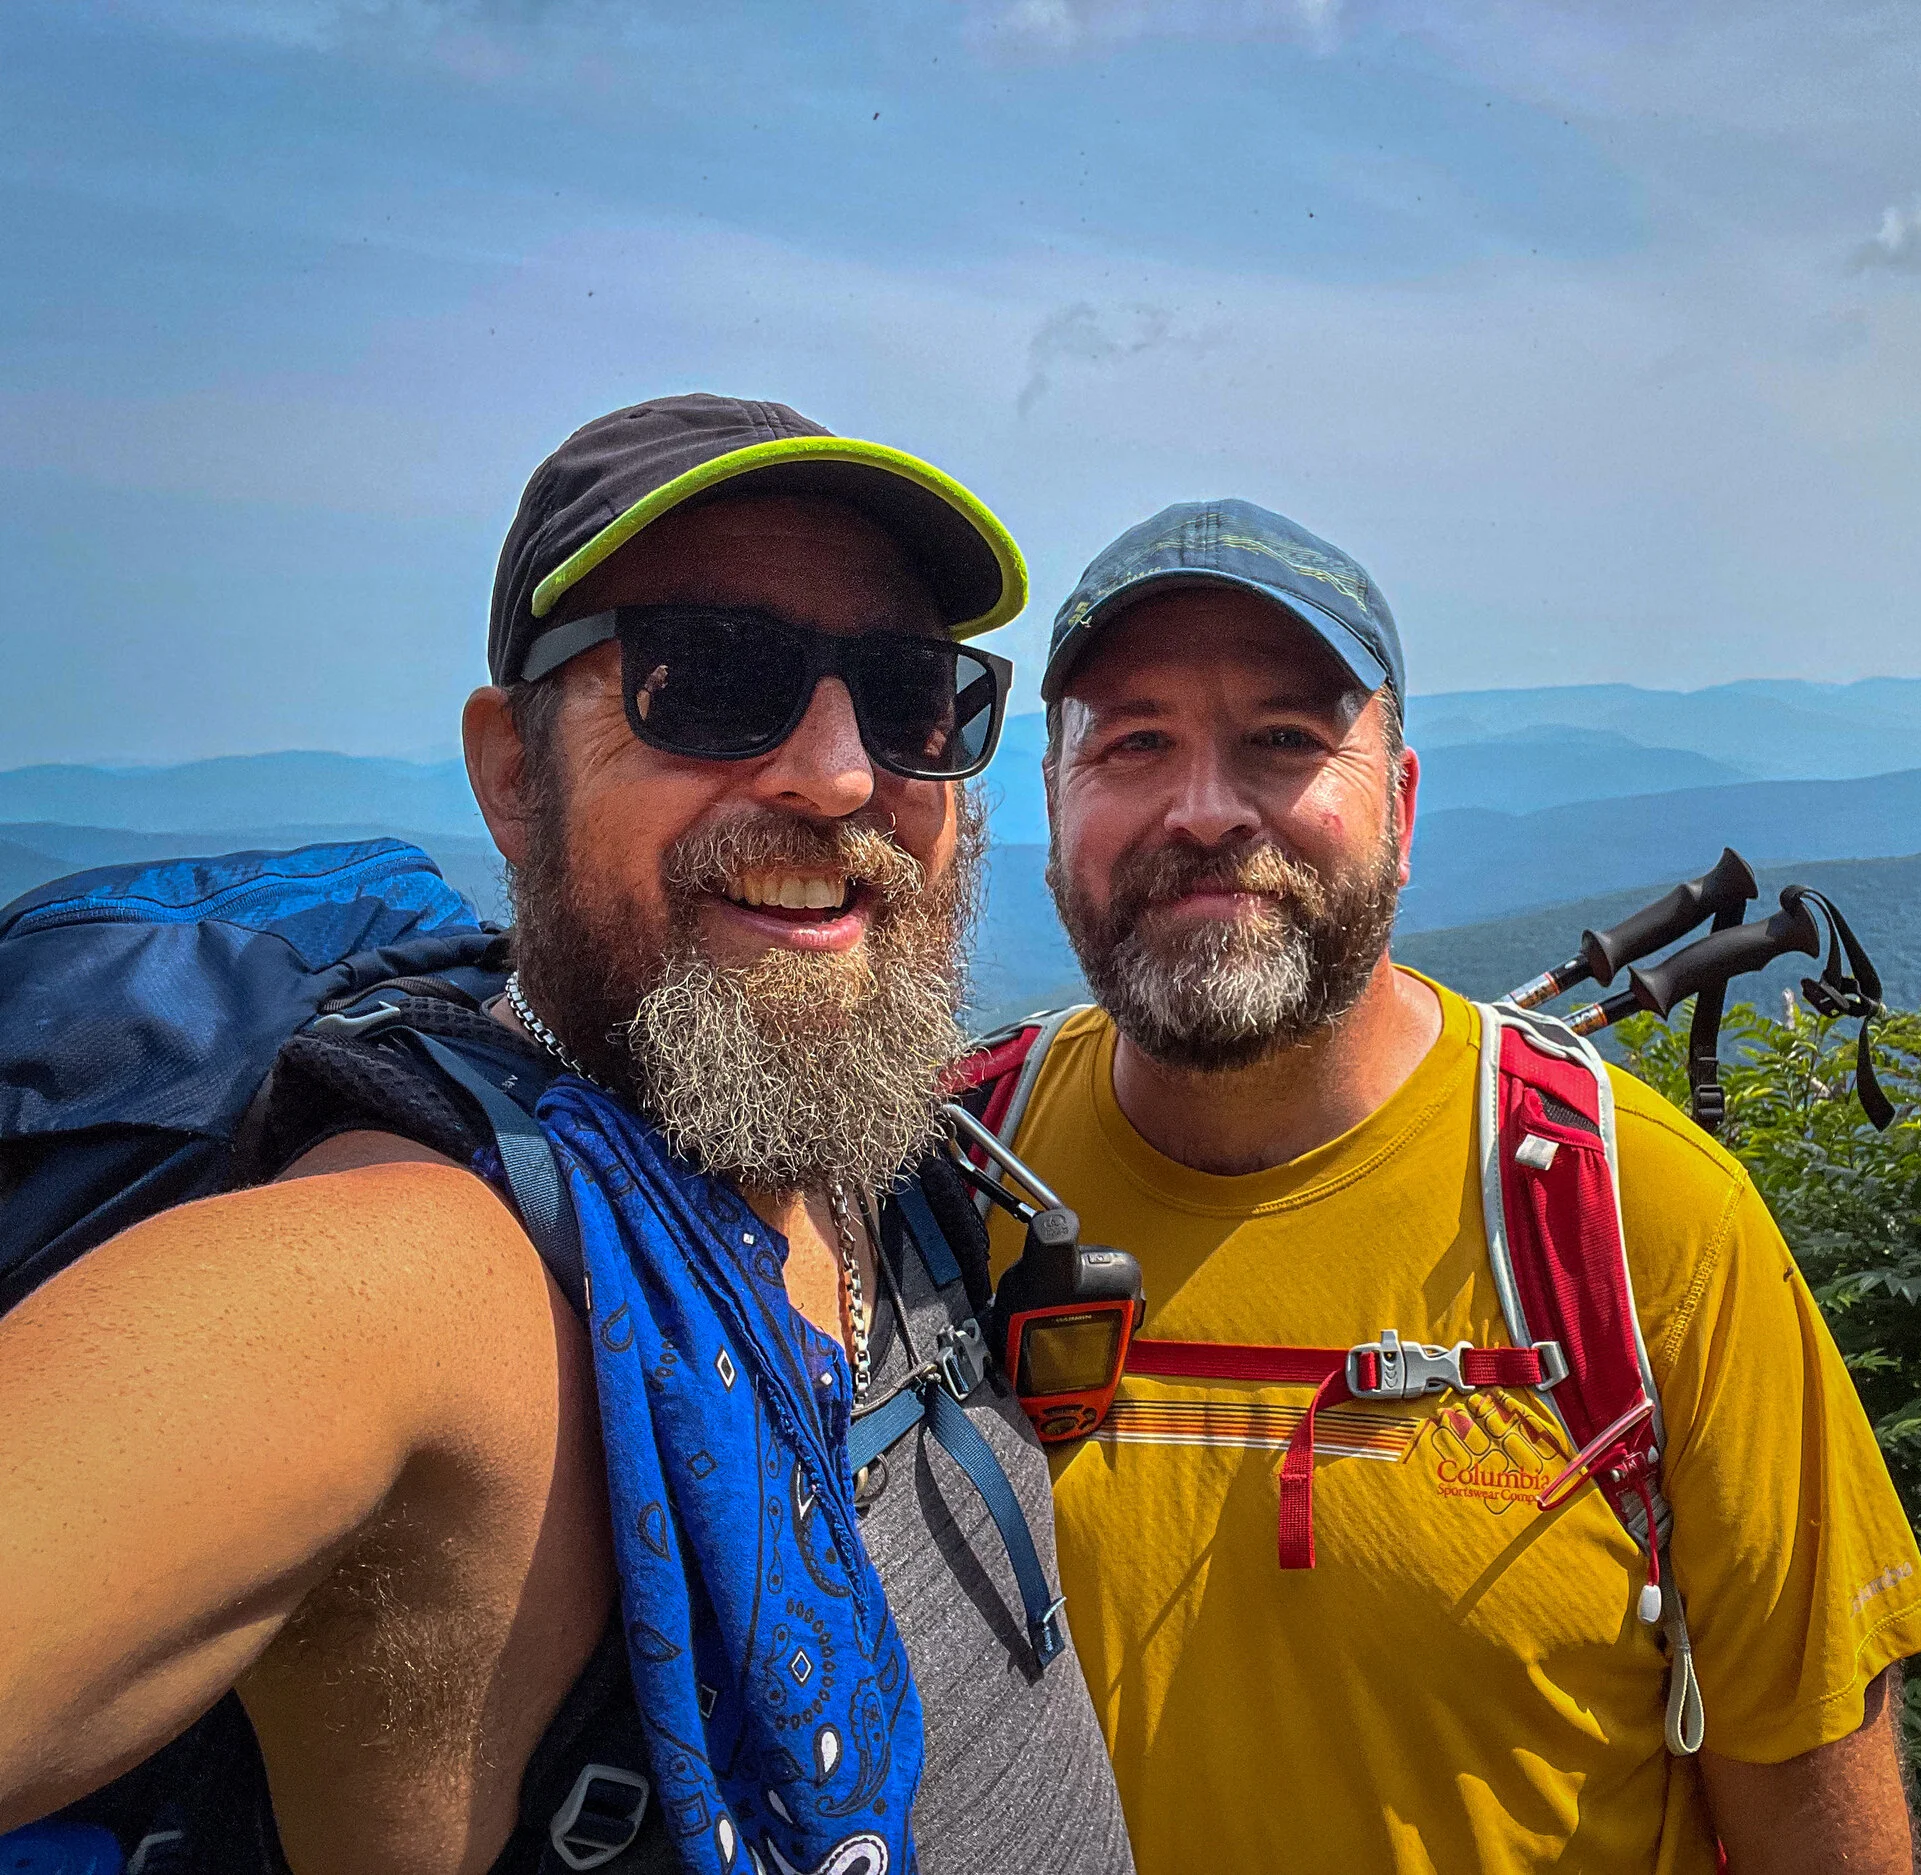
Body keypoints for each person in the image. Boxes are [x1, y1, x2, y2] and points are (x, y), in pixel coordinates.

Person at [0, 395, 1131, 1875]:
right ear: (514, 777)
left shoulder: (884, 1148)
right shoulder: (423, 1273)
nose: (844, 775)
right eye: (711, 676)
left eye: (913, 696)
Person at [974, 499, 1921, 1873]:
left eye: (1285, 740)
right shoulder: (947, 1177)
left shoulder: (1638, 1226)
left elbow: (1815, 1814)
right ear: (1056, 804)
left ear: (1405, 805)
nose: (1204, 807)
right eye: (1135, 743)